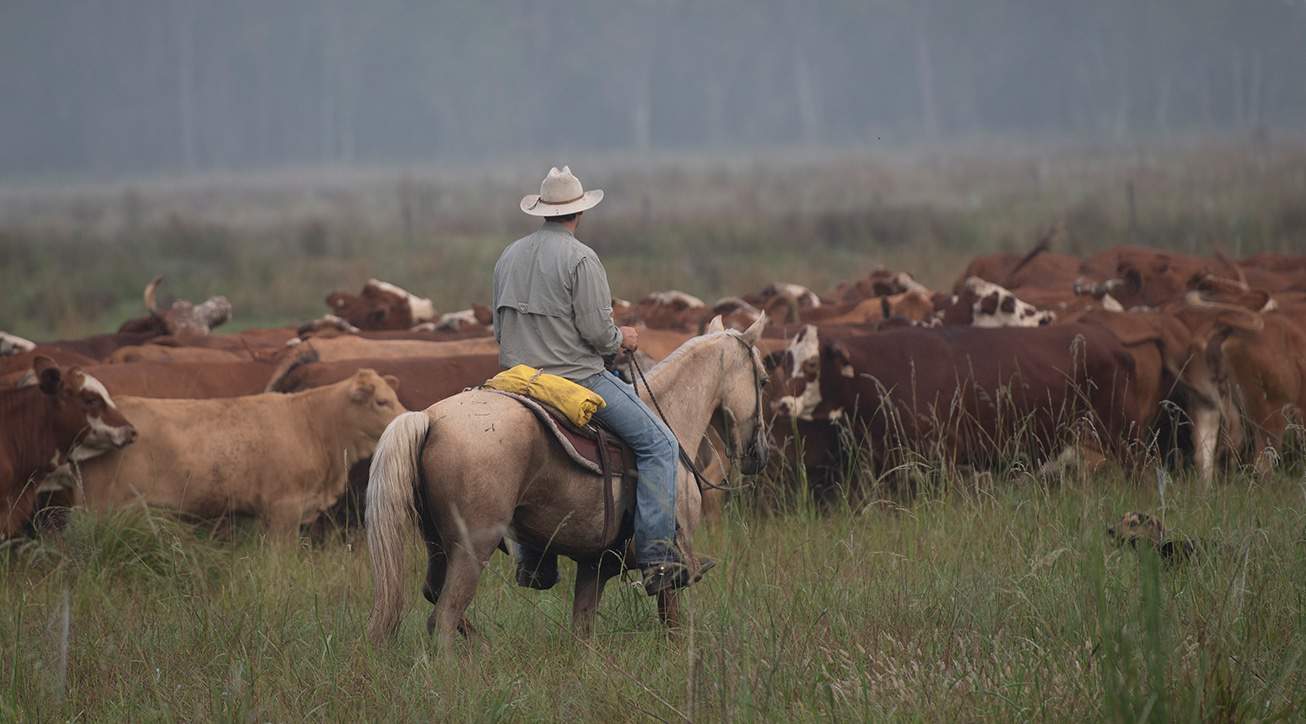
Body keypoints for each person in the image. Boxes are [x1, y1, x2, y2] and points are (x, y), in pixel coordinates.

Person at [492, 166, 706, 595]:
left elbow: (499, 328)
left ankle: (533, 558)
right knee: (660, 446)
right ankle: (658, 558)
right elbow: (596, 335)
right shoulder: (581, 259)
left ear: (543, 211)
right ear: (578, 214)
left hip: (516, 381)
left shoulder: (508, 255)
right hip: (576, 379)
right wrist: (621, 338)